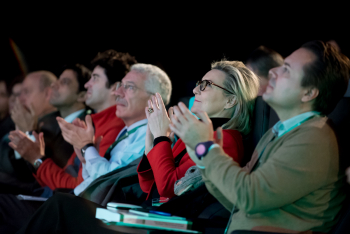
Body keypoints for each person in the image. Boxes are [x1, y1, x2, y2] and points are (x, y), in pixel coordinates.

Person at [170, 41, 350, 233]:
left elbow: (249, 197)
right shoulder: (279, 132)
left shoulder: (314, 139)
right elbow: (235, 200)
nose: (273, 72)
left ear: (309, 93)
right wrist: (203, 156)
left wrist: (205, 147)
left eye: (286, 70)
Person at [15, 63, 172, 234]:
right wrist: (85, 156)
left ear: (154, 99)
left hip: (101, 214)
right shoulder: (125, 132)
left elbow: (110, 184)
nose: (118, 93)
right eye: (120, 86)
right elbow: (95, 181)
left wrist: (86, 148)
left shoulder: (150, 134)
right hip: (78, 201)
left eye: (129, 87)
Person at [137, 60, 259, 204]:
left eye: (206, 85)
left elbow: (170, 188)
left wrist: (160, 137)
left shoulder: (225, 140)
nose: (195, 90)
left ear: (230, 101)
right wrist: (150, 145)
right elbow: (149, 187)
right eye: (199, 84)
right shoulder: (198, 131)